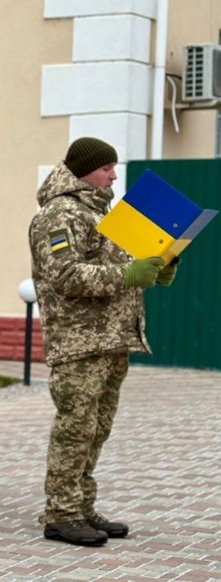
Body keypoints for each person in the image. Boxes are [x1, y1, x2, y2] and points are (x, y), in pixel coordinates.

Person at [28, 137, 176, 547]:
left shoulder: (102, 213)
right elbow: (66, 276)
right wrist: (129, 276)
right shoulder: (59, 215)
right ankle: (60, 513)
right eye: (106, 168)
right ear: (83, 170)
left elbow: (114, 266)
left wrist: (155, 269)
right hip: (78, 342)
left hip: (111, 339)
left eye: (113, 167)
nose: (113, 175)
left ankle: (81, 507)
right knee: (76, 427)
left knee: (97, 429)